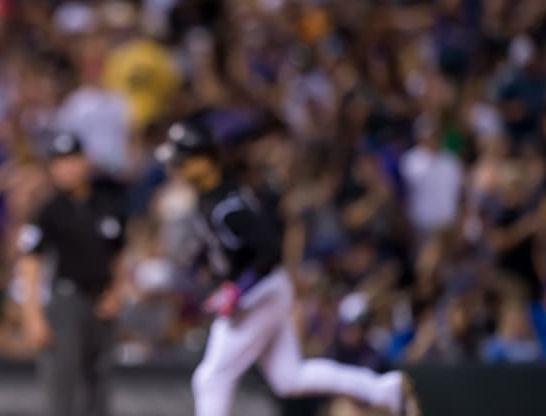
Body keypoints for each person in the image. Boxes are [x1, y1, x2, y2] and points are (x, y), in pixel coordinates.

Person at [155, 118, 421, 416]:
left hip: (259, 292)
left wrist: (237, 290)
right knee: (288, 377)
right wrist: (198, 263)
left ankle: (383, 390)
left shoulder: (230, 205)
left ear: (206, 161)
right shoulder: (211, 196)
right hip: (263, 291)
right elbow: (218, 242)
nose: (175, 168)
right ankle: (383, 390)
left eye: (182, 161)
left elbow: (270, 250)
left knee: (211, 378)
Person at [18, 132, 127, 416]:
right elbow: (30, 262)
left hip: (102, 302)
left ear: (85, 161)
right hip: (66, 301)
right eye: (59, 162)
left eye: (71, 160)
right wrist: (32, 314)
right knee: (62, 384)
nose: (66, 168)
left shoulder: (107, 203)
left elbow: (118, 255)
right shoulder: (47, 210)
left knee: (99, 385)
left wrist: (116, 293)